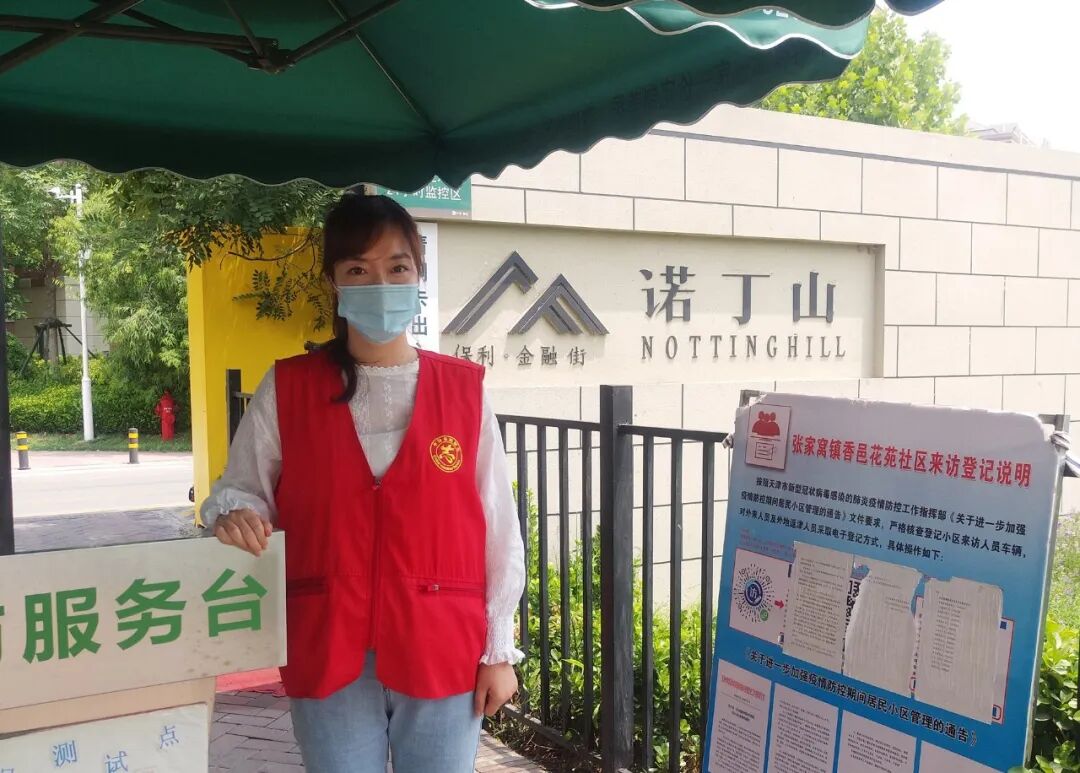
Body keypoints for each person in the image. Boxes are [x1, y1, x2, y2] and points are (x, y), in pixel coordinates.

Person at [200, 192, 526, 773]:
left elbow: (498, 527)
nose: (380, 284)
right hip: (327, 642)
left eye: (397, 268)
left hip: (441, 645)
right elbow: (243, 488)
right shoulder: (290, 388)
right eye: (358, 270)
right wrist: (236, 514)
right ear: (334, 283)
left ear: (418, 275)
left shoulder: (464, 391)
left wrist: (498, 650)